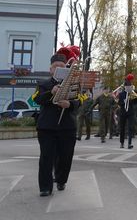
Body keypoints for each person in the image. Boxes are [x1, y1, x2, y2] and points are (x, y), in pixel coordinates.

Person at [32, 46, 81, 196]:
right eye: (55, 67)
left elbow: (80, 101)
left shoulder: (73, 84)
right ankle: (45, 187)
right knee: (46, 157)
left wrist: (70, 104)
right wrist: (49, 93)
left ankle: (61, 180)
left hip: (67, 127)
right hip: (47, 127)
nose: (58, 69)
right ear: (50, 69)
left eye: (61, 66)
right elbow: (36, 99)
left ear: (66, 68)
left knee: (65, 157)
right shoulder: (43, 84)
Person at [117, 74, 137, 149]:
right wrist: (124, 101)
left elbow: (136, 102)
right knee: (122, 127)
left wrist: (135, 98)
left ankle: (129, 143)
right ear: (125, 87)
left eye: (130, 86)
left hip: (130, 112)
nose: (129, 87)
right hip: (123, 112)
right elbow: (119, 103)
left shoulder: (132, 94)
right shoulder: (121, 94)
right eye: (128, 86)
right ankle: (122, 142)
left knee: (130, 127)